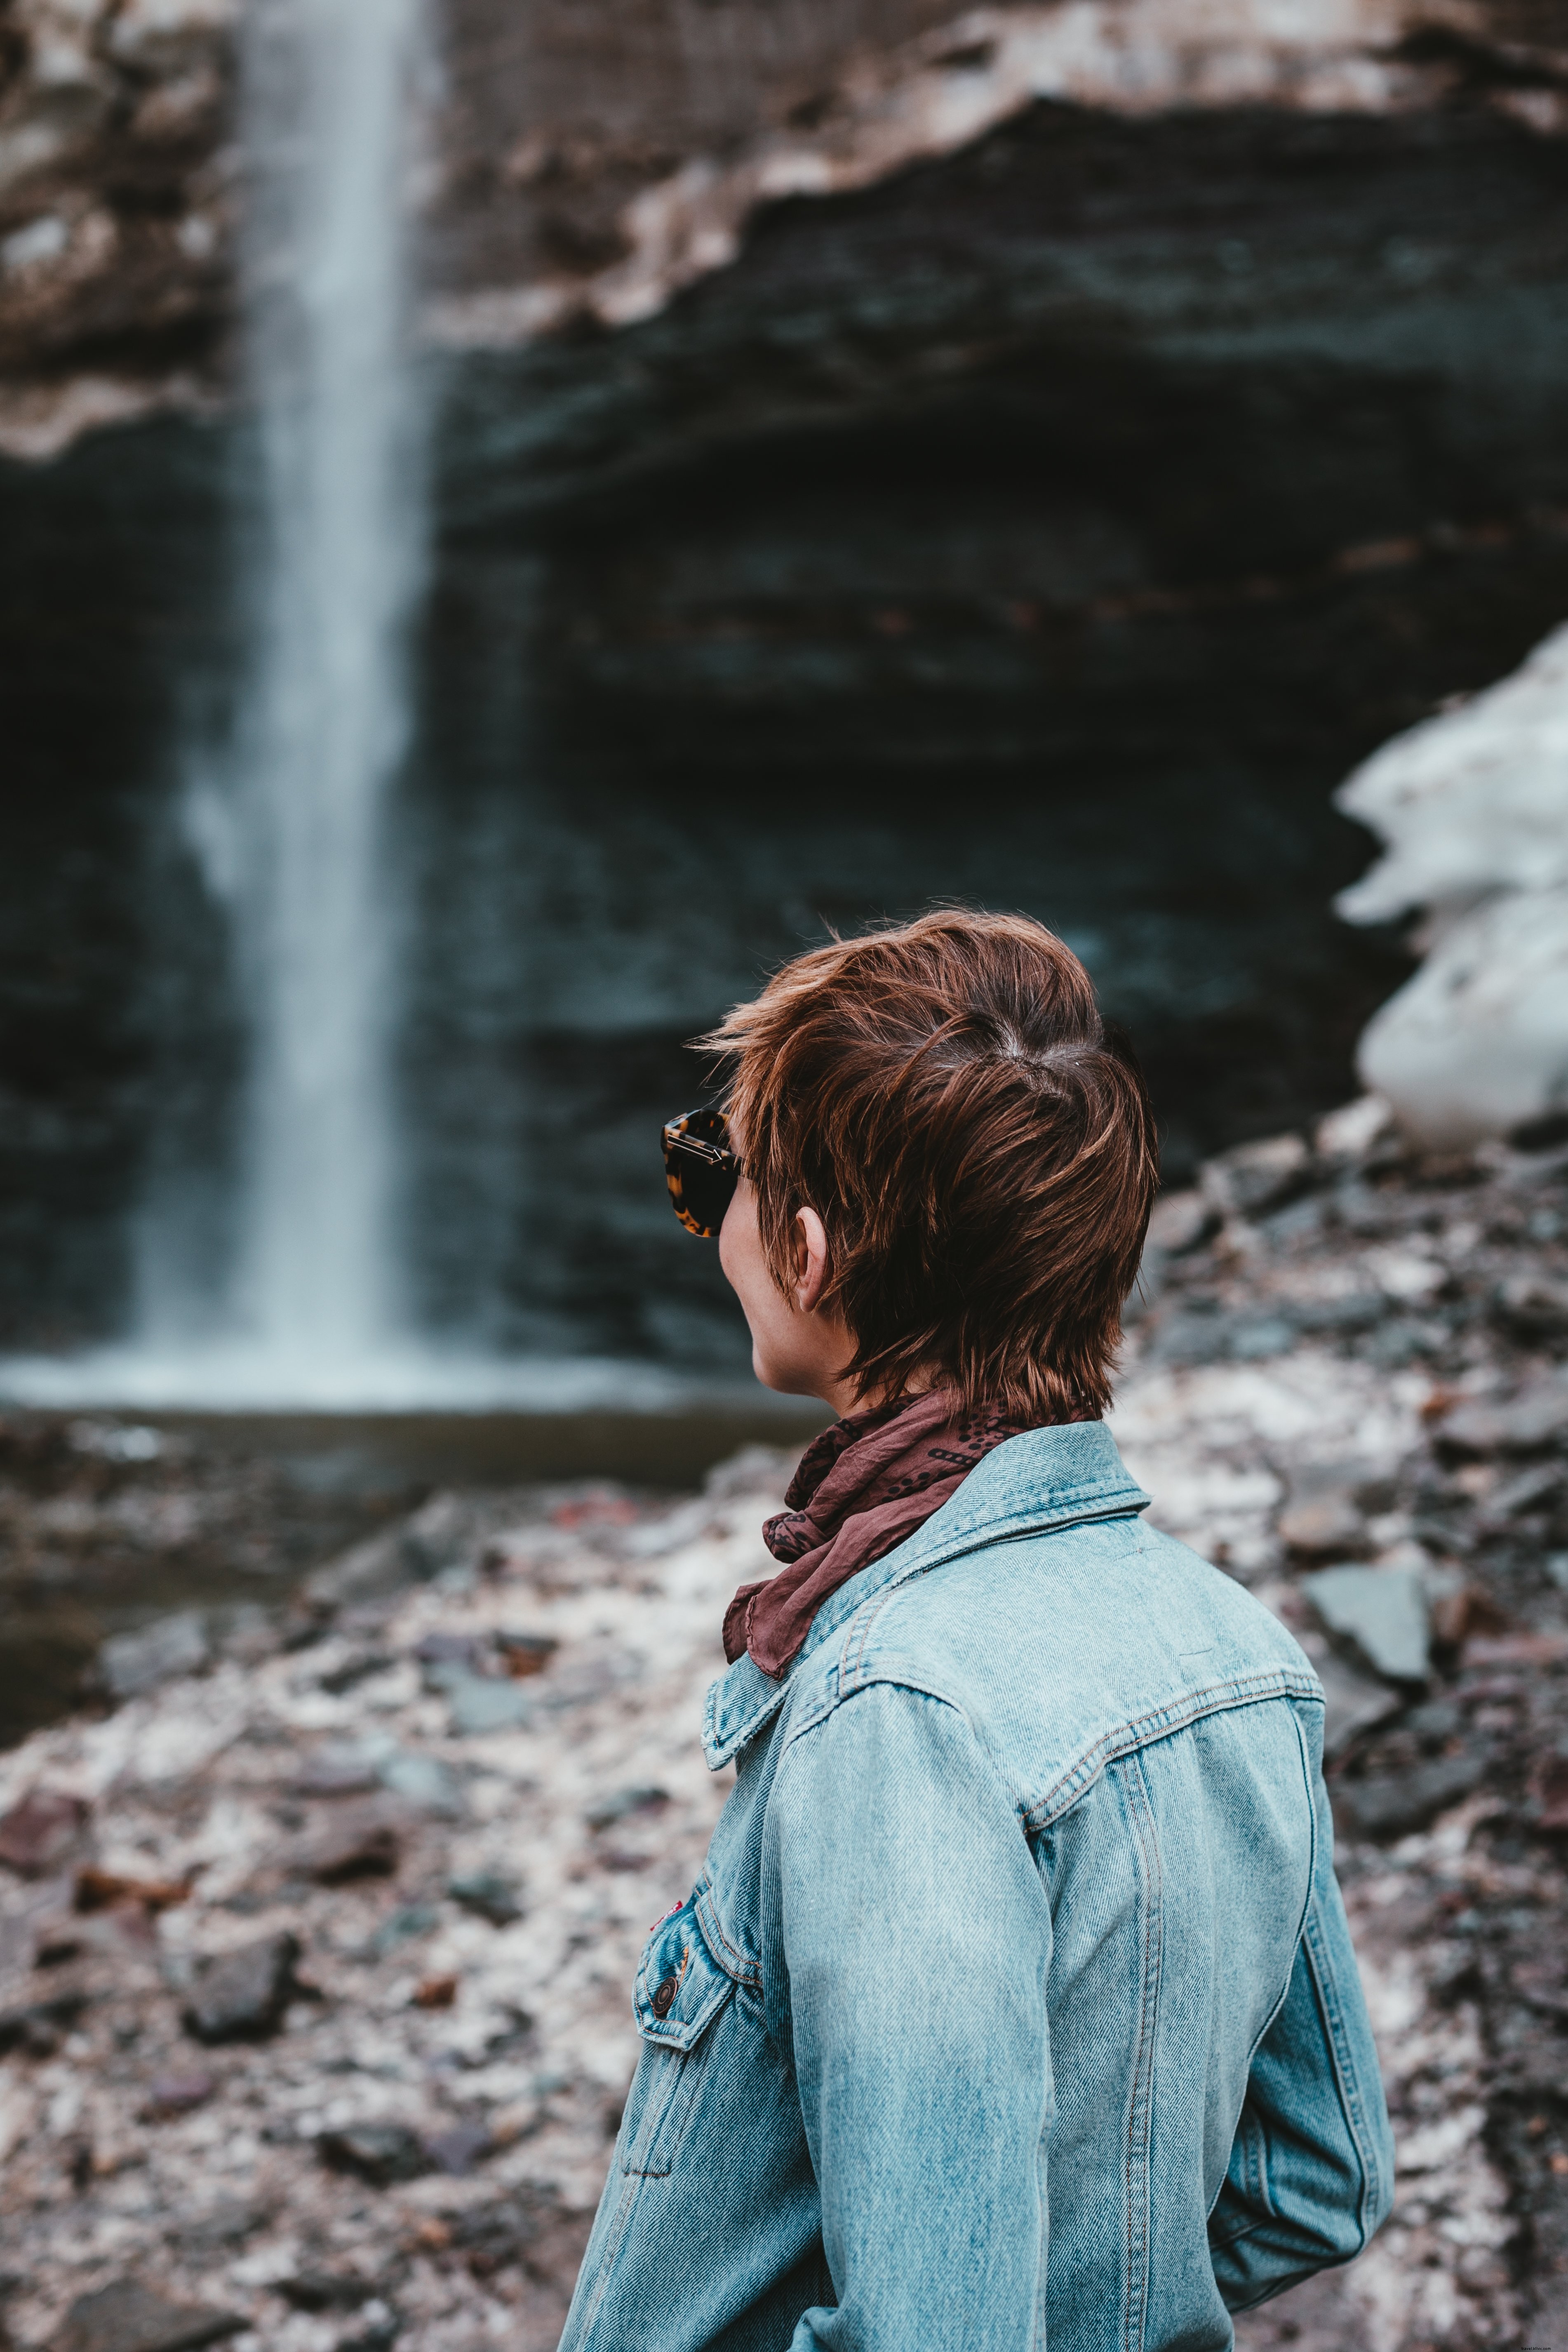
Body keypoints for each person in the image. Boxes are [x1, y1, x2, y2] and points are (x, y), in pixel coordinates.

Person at [559, 909, 1393, 2352]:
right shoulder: (1237, 1649)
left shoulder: (901, 1707)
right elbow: (1316, 2188)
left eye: (717, 1182)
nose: (711, 1224)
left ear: (809, 1254)